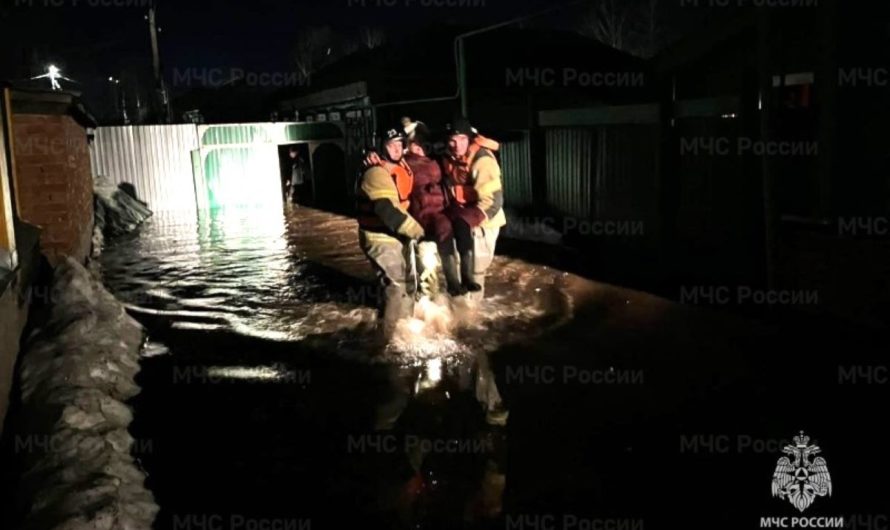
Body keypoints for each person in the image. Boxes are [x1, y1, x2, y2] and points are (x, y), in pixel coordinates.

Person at [356, 127, 426, 339]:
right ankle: (388, 340)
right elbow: (387, 210)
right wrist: (420, 233)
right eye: (391, 145)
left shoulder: (401, 165)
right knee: (396, 286)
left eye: (399, 144)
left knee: (409, 283)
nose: (397, 149)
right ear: (381, 147)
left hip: (398, 234)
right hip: (381, 237)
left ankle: (402, 327)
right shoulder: (376, 172)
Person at [441, 116, 506, 297]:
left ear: (469, 138)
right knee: (460, 268)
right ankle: (460, 311)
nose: (457, 145)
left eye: (462, 139)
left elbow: (493, 202)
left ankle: (471, 318)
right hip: (463, 221)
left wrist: (468, 220)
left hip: (484, 222)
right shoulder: (449, 156)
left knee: (476, 272)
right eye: (452, 140)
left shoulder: (482, 160)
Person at [402, 122, 466, 296]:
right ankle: (429, 307)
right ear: (409, 146)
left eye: (423, 142)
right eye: (415, 143)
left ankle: (454, 292)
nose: (420, 147)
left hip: (441, 219)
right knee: (426, 270)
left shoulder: (437, 160)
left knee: (448, 257)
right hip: (420, 225)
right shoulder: (404, 165)